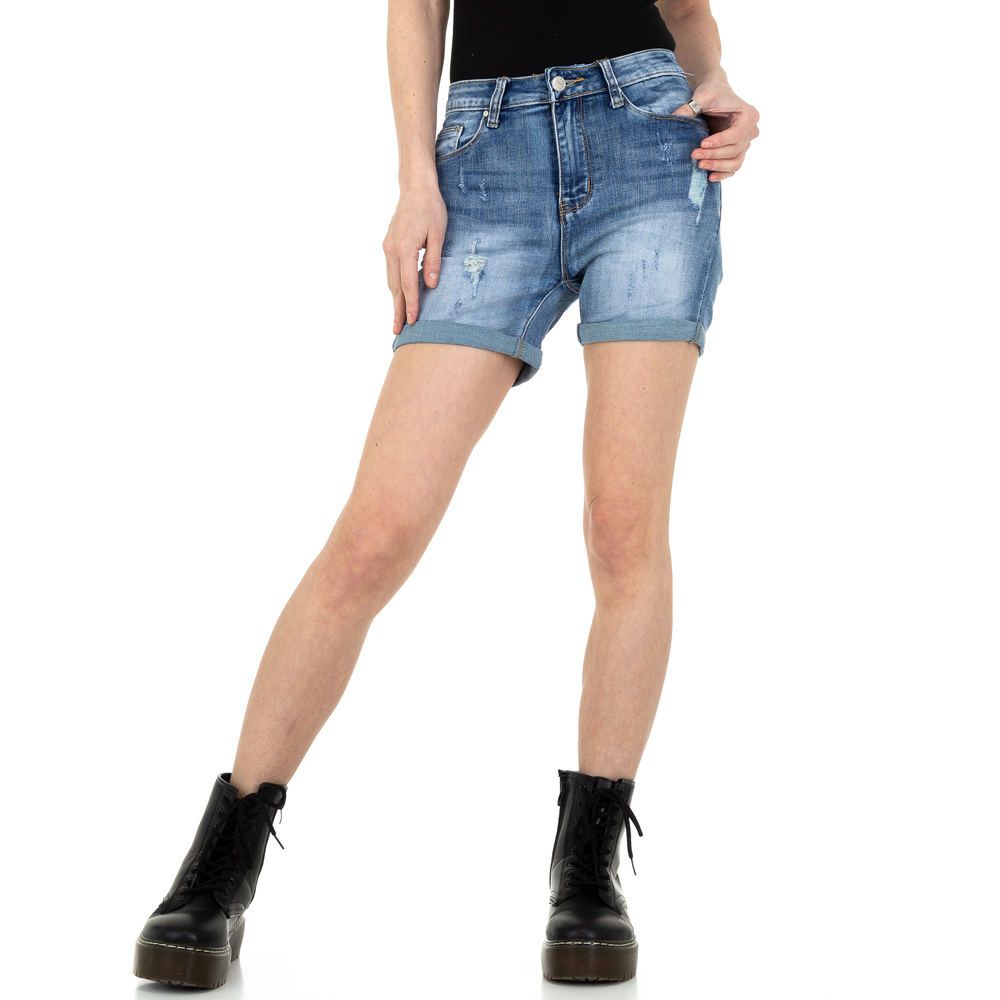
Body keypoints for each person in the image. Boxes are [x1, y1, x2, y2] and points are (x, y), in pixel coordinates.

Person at [132, 0, 760, 988]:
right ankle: (221, 864)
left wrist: (714, 80)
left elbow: (684, 10)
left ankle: (587, 873)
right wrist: (415, 182)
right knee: (373, 535)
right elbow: (418, 7)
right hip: (485, 161)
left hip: (648, 149)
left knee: (622, 524)